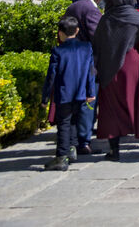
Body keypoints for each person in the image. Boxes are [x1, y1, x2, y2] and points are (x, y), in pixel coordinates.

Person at [93, 0, 139, 159]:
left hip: (110, 68)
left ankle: (114, 150)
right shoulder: (137, 18)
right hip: (132, 68)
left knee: (112, 108)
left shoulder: (106, 19)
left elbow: (97, 45)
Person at [41, 15, 96, 171]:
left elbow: (51, 76)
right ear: (77, 30)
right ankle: (72, 147)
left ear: (60, 33)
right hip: (80, 92)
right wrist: (91, 91)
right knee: (72, 121)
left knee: (63, 124)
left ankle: (61, 156)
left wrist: (45, 97)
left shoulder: (58, 51)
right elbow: (90, 72)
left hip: (64, 93)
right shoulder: (86, 47)